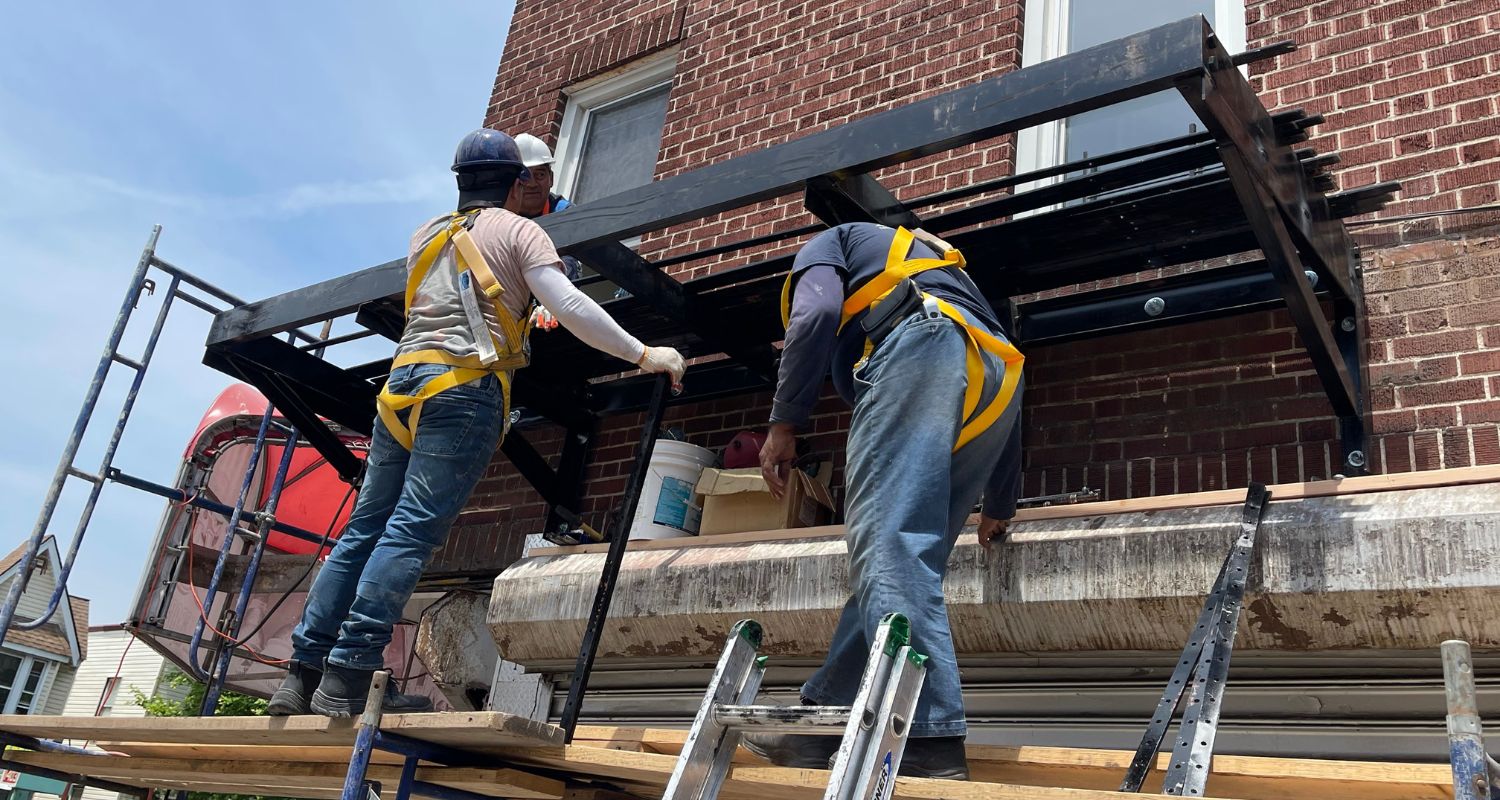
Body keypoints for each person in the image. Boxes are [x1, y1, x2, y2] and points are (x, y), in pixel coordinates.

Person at [268, 129, 685, 718]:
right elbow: (567, 304)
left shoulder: (426, 235)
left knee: (363, 532)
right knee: (408, 533)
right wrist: (646, 355)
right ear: (519, 182)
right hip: (462, 392)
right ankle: (350, 673)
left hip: (400, 392)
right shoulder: (519, 229)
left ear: (460, 181)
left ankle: (302, 676)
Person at [746, 222, 1024, 780]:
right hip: (997, 379)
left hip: (920, 349)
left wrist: (783, 424)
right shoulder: (943, 269)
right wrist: (1001, 501)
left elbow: (816, 315)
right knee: (892, 568)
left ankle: (927, 738)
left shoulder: (827, 244)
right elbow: (1005, 362)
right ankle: (823, 724)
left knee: (890, 552)